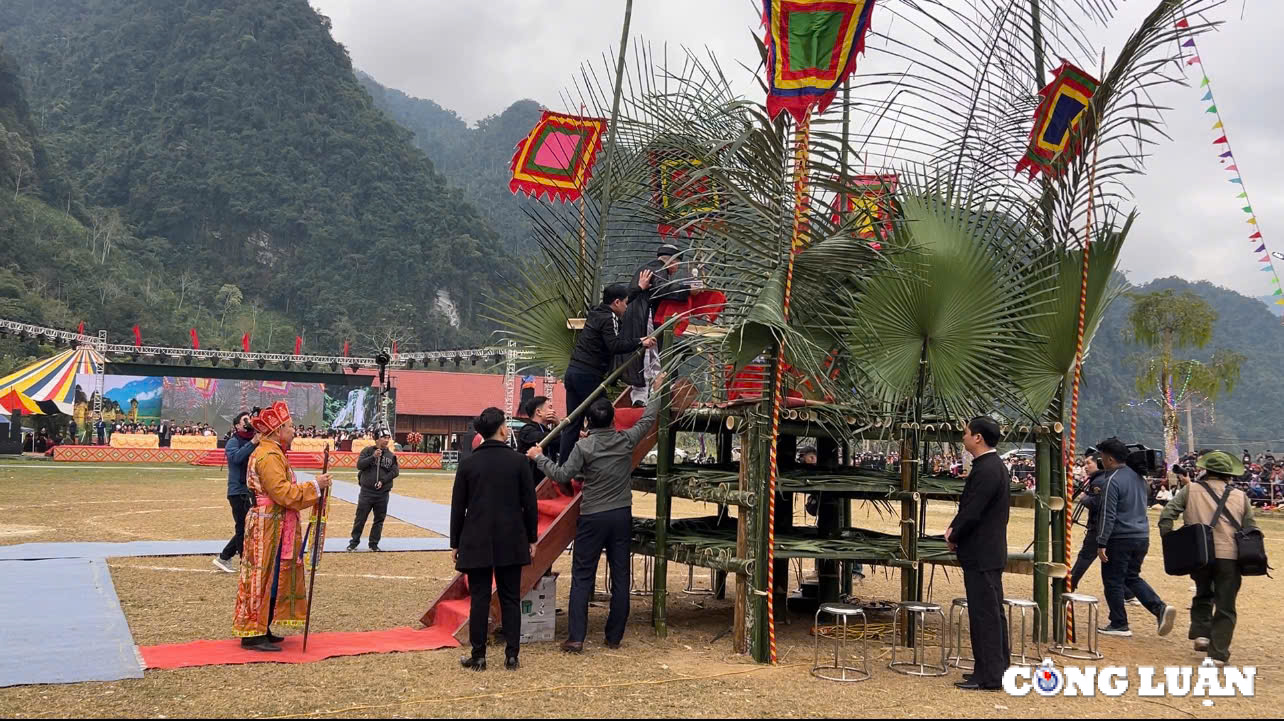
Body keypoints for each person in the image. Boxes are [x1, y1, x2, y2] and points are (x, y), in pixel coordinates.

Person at [528, 371, 666, 653]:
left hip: (592, 515)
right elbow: (649, 417)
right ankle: (614, 636)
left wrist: (539, 458)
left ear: (588, 422)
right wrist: (658, 389)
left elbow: (562, 473)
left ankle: (577, 637)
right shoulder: (626, 440)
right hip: (620, 515)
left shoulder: (584, 446)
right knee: (620, 574)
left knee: (582, 575)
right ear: (614, 420)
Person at [232, 402, 331, 651]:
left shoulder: (272, 453)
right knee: (263, 575)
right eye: (290, 426)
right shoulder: (269, 456)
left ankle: (262, 626)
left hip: (274, 522)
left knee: (272, 574)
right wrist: (315, 486)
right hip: (268, 524)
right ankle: (253, 633)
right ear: (277, 431)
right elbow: (282, 493)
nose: (294, 431)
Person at [450, 407, 538, 671]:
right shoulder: (519, 461)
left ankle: (479, 655)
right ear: (502, 429)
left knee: (479, 598)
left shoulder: (468, 463)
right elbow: (530, 505)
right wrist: (531, 538)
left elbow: (458, 506)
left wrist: (455, 542)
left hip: (476, 537)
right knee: (511, 597)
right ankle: (512, 654)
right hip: (511, 537)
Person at [1158, 451, 1258, 667]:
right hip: (1230, 557)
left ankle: (1202, 634)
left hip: (1199, 554)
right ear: (1229, 475)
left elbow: (1167, 514)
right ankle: (1217, 654)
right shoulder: (1241, 497)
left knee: (1203, 593)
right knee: (1225, 606)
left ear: (1205, 471)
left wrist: (1171, 540)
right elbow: (1251, 527)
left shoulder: (1190, 490)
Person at [945, 416, 1010, 692]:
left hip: (982, 552)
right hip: (989, 551)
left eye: (966, 433)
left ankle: (989, 675)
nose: (963, 438)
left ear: (978, 438)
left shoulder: (987, 469)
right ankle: (997, 666)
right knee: (992, 612)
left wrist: (953, 532)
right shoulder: (992, 467)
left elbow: (972, 510)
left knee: (985, 614)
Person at [558, 283, 657, 465]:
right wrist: (640, 342)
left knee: (573, 422)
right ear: (617, 302)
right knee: (604, 413)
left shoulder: (597, 312)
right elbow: (615, 345)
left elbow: (620, 299)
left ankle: (564, 466)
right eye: (626, 303)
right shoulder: (609, 318)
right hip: (588, 374)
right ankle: (600, 458)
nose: (627, 307)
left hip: (573, 371)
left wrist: (638, 288)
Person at [1094, 437, 1176, 638]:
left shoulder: (1111, 480)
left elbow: (1108, 514)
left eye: (1102, 457)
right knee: (1131, 577)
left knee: (1113, 580)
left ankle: (1119, 623)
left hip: (1120, 538)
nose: (1101, 461)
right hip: (1141, 536)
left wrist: (1102, 541)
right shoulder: (1139, 478)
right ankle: (1159, 608)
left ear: (1111, 459)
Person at [621, 242, 692, 405]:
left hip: (638, 316)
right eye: (677, 264)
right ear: (672, 261)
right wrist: (687, 290)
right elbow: (663, 289)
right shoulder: (658, 269)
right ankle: (644, 397)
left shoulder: (651, 267)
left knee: (652, 354)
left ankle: (648, 394)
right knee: (648, 354)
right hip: (642, 317)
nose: (676, 269)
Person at [214, 411, 260, 573]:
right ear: (237, 425)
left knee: (249, 526)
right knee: (243, 527)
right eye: (245, 420)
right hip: (237, 491)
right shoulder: (233, 441)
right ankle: (244, 562)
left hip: (251, 490)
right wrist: (253, 442)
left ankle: (224, 557)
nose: (249, 422)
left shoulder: (256, 441)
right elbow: (236, 458)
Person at [349, 427, 399, 552]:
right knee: (360, 518)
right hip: (367, 492)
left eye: (388, 438)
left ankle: (374, 544)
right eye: (384, 438)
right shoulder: (367, 451)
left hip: (382, 494)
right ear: (377, 439)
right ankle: (354, 542)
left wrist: (383, 481)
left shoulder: (391, 456)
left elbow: (395, 471)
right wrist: (373, 457)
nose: (386, 440)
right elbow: (359, 465)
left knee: (379, 519)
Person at [515, 395, 557, 480]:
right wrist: (560, 426)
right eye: (550, 407)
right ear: (538, 412)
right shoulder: (527, 430)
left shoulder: (547, 431)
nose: (554, 411)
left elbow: (562, 443)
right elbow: (545, 438)